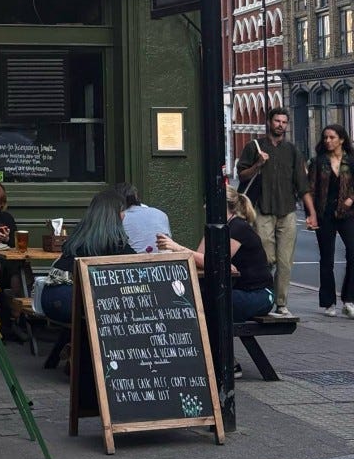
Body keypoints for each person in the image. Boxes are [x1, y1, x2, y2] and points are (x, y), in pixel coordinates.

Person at [236, 108, 316, 317]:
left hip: (287, 210)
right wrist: (258, 164)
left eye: (284, 122)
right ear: (269, 122)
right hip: (263, 210)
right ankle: (264, 297)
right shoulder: (254, 147)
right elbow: (242, 176)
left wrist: (311, 212)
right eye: (277, 121)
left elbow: (302, 184)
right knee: (267, 258)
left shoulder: (292, 151)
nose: (280, 125)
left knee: (285, 261)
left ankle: (281, 303)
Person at [157, 185, 274, 323]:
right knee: (194, 299)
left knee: (213, 303)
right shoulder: (215, 227)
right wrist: (219, 262)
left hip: (259, 295)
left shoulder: (238, 227)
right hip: (237, 291)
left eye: (209, 202)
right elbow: (201, 260)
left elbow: (213, 262)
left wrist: (178, 248)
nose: (205, 207)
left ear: (221, 205)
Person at [40, 188, 135, 325]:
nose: (124, 216)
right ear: (113, 215)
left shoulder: (79, 235)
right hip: (72, 303)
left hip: (48, 298)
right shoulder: (114, 243)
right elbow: (137, 266)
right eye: (121, 211)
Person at [308, 125, 354, 318]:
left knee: (353, 252)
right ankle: (329, 302)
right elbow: (311, 189)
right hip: (324, 214)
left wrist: (351, 198)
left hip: (347, 213)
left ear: (341, 139)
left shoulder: (351, 160)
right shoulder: (318, 162)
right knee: (327, 258)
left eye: (332, 137)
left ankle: (349, 299)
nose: (328, 141)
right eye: (325, 137)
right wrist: (311, 214)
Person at [116, 181, 171, 253]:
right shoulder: (160, 213)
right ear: (136, 197)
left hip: (135, 258)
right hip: (166, 258)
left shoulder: (119, 217)